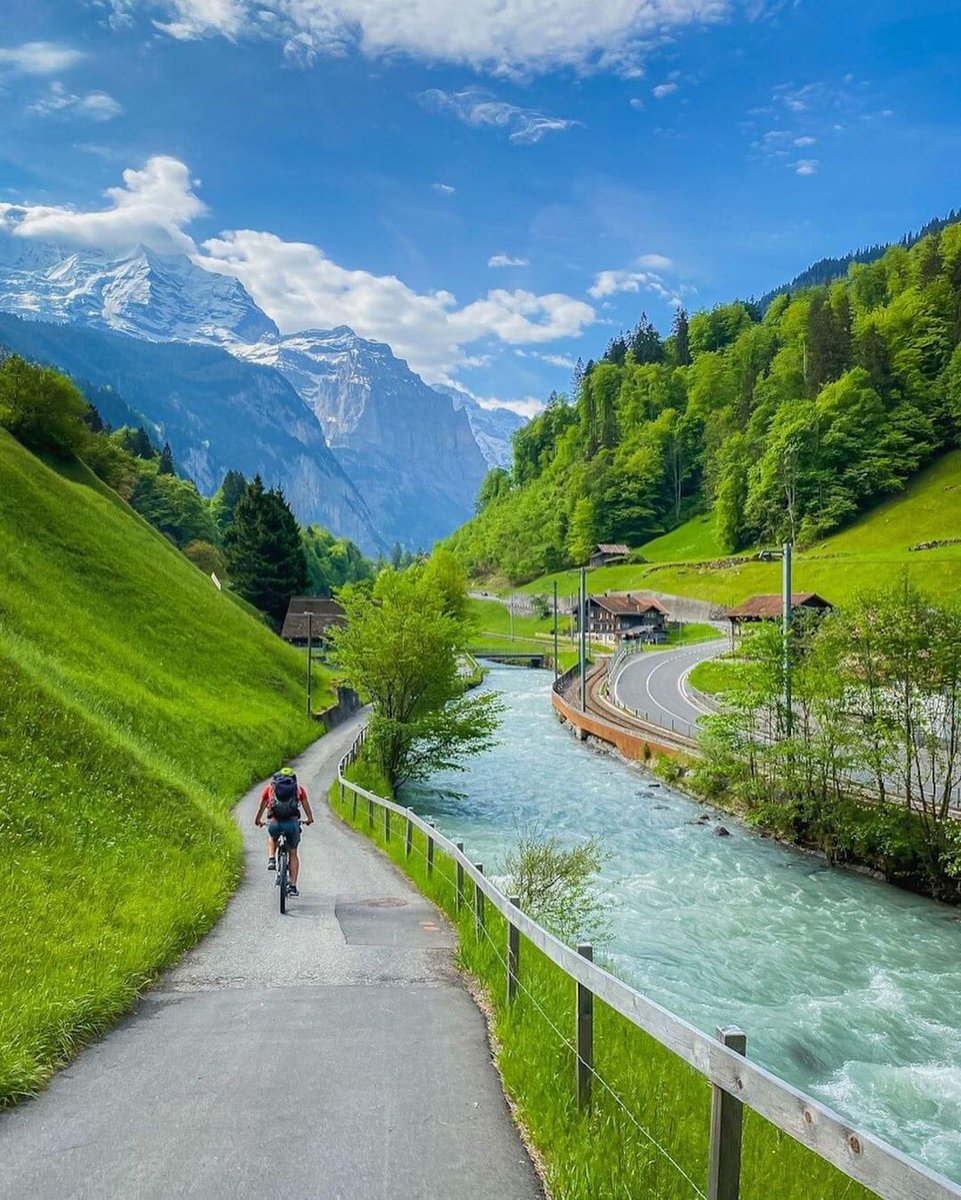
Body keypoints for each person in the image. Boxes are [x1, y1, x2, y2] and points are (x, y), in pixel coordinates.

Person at [254, 767, 314, 896]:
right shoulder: (298, 789)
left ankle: (271, 859)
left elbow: (262, 806)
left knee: (273, 838)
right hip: (292, 824)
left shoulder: (270, 788)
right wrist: (309, 818)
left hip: (275, 822)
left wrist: (258, 820)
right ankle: (292, 885)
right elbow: (306, 805)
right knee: (293, 853)